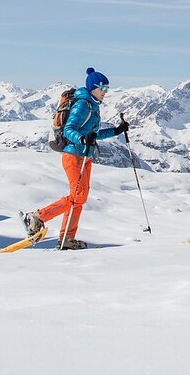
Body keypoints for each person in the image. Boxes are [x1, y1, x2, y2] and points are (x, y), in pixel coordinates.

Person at [22, 67, 129, 250]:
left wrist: (116, 131)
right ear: (93, 88)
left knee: (79, 198)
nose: (105, 93)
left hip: (84, 156)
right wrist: (81, 138)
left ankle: (67, 239)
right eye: (102, 89)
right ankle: (38, 217)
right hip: (74, 155)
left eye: (106, 89)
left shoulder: (93, 106)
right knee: (77, 196)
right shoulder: (82, 104)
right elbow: (68, 129)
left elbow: (92, 134)